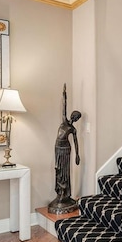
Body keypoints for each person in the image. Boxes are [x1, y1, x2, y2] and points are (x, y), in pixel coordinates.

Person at [48, 84, 81, 214]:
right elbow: (64, 108)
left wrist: (78, 155)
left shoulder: (73, 129)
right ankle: (59, 193)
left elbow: (76, 142)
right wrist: (64, 95)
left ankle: (65, 194)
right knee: (58, 169)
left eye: (76, 118)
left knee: (65, 172)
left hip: (67, 150)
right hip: (58, 147)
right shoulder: (64, 122)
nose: (74, 118)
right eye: (74, 116)